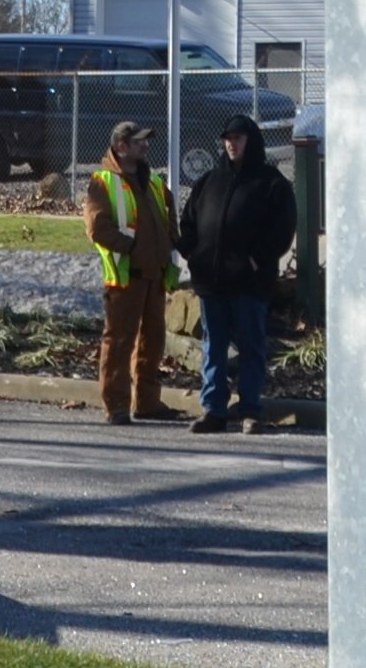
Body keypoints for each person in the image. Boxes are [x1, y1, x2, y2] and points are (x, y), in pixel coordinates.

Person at [177, 117, 298, 432]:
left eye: (238, 138)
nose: (232, 144)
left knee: (251, 347)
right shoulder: (208, 181)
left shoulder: (271, 183)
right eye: (228, 138)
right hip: (211, 282)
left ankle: (250, 410)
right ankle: (214, 410)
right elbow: (188, 221)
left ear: (251, 141)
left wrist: (257, 259)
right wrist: (192, 253)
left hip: (249, 283)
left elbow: (282, 229)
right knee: (213, 348)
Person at [83, 120, 176, 424]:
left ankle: (148, 402)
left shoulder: (154, 183)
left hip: (154, 275)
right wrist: (131, 247)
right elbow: (97, 227)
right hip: (125, 277)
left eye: (145, 141)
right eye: (138, 142)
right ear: (121, 147)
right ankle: (117, 406)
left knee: (153, 342)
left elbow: (169, 223)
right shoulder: (103, 181)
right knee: (119, 342)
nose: (145, 146)